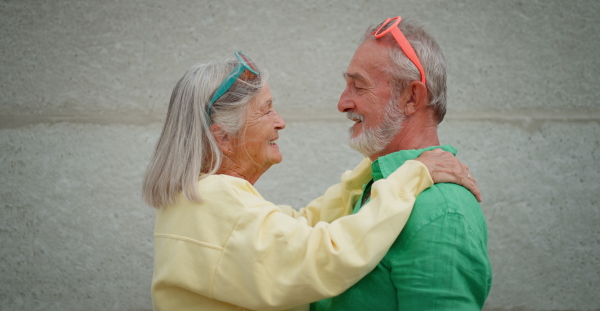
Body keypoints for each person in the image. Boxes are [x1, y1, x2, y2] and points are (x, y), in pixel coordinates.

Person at [143, 51, 480, 311]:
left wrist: (367, 174)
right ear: (224, 138)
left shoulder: (197, 199)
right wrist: (411, 176)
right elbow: (324, 257)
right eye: (266, 110)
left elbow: (297, 230)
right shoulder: (213, 200)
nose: (281, 122)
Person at [312, 16, 493, 311]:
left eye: (358, 87)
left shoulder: (442, 211)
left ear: (412, 97)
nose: (343, 103)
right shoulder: (382, 185)